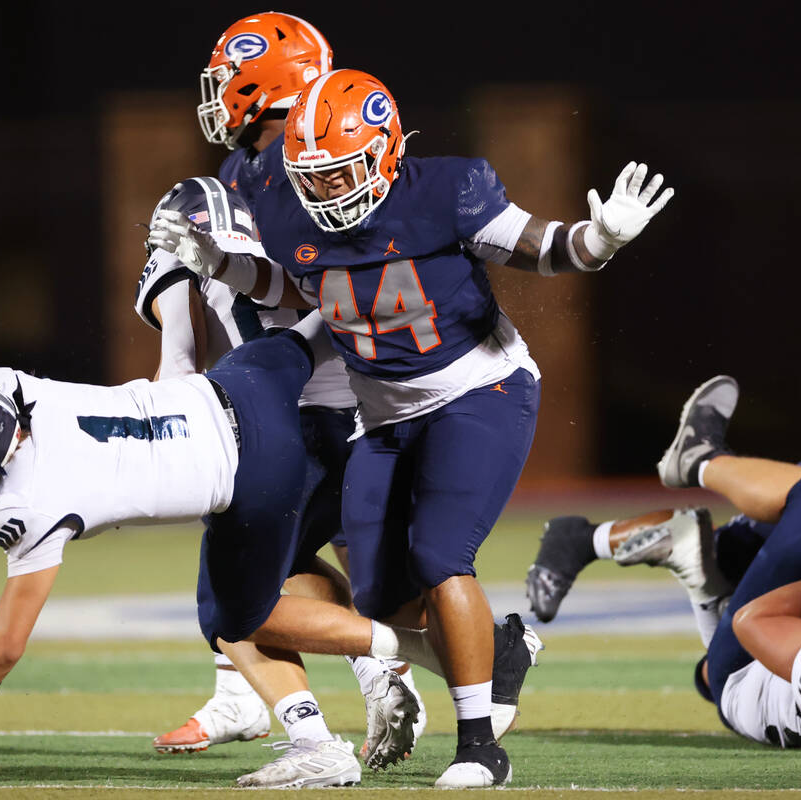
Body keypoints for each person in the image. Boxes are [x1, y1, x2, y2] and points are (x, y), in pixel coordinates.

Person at [147, 68, 672, 787]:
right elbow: (299, 285)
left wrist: (603, 237)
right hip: (383, 414)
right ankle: (502, 652)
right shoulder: (289, 208)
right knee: (376, 596)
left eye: (342, 172)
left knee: (440, 556)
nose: (327, 189)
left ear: (386, 153)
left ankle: (480, 743)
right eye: (315, 175)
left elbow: (547, 248)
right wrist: (221, 264)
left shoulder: (447, 191)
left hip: (478, 389)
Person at [0, 316, 515, 788]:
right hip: (243, 382)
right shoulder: (4, 385)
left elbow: (2, 648)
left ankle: (368, 700)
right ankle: (458, 328)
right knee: (330, 318)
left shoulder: (24, 506)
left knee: (233, 618)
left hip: (251, 472)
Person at [136, 176, 424, 761]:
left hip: (285, 432)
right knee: (287, 565)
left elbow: (179, 368)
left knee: (229, 596)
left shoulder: (187, 252)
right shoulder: (300, 238)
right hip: (370, 420)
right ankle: (374, 672)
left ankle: (319, 731)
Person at [527, 376, 801, 747]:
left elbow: (756, 622)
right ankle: (697, 557)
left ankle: (701, 461)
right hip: (800, 649)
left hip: (747, 665)